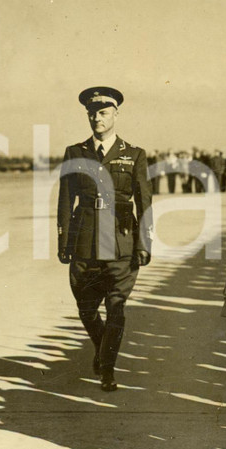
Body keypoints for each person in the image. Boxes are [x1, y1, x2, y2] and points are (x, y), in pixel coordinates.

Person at [57, 87, 153, 392]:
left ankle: (108, 369)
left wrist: (144, 243)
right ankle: (103, 349)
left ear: (115, 114)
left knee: (116, 307)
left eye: (103, 112)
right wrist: (63, 242)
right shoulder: (75, 152)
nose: (96, 118)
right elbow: (64, 200)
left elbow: (145, 201)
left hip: (121, 241)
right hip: (85, 241)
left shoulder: (134, 154)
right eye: (92, 113)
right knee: (86, 309)